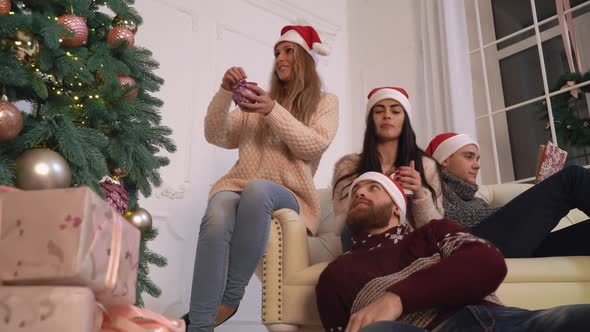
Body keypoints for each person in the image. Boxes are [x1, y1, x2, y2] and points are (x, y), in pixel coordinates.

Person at [184, 25, 339, 332]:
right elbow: (216, 134)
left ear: (306, 58)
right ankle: (199, 325)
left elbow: (313, 145)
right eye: (276, 53)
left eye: (288, 51)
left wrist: (273, 111)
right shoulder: (257, 102)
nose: (279, 58)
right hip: (239, 183)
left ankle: (230, 297)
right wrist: (225, 92)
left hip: (291, 191)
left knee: (257, 190)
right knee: (216, 217)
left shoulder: (325, 102)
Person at [316, 171, 590, 332]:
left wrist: (395, 298)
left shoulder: (433, 232)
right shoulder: (336, 275)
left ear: (397, 207)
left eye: (373, 188)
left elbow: (488, 263)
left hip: (499, 321)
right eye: (355, 193)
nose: (360, 193)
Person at [426, 132, 590, 258]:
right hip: (469, 248)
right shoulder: (431, 190)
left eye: (477, 159)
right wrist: (530, 203)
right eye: (469, 157)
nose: (477, 165)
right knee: (573, 178)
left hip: (502, 244)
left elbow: (494, 221)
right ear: (444, 160)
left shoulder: (475, 200)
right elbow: (451, 223)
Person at [332, 87, 443, 252]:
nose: (387, 115)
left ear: (405, 120)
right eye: (378, 111)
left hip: (412, 249)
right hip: (363, 247)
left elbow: (436, 231)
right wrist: (377, 191)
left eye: (396, 111)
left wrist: (420, 194)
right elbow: (343, 223)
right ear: (371, 120)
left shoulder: (426, 166)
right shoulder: (348, 166)